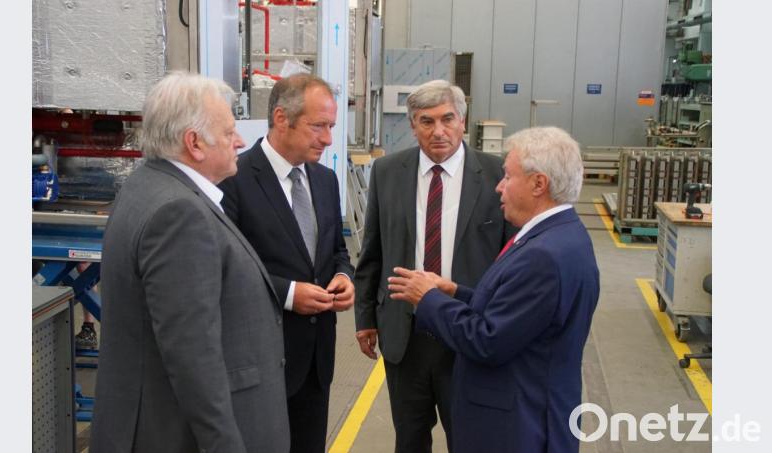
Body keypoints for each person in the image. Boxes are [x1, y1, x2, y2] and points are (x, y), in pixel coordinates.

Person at [90, 72, 289, 453]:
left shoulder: (147, 185)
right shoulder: (180, 214)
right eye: (230, 131)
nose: (240, 141)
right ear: (194, 143)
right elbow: (192, 355)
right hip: (175, 434)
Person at [387, 126, 600, 453]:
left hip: (518, 426)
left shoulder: (543, 256)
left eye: (507, 177)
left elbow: (487, 340)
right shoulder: (558, 235)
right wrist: (455, 291)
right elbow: (518, 313)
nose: (499, 187)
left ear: (538, 183)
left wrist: (427, 298)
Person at [353, 79, 516, 453]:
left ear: (463, 120)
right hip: (405, 336)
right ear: (413, 125)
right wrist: (365, 318)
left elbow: (511, 261)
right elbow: (373, 252)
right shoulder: (387, 172)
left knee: (471, 439)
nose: (438, 131)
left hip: (468, 334)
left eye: (447, 119)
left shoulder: (497, 176)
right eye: (426, 121)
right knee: (409, 439)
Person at [218, 73, 354, 453]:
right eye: (318, 126)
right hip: (261, 361)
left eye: (330, 127)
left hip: (316, 362)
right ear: (281, 118)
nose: (327, 139)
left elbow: (336, 250)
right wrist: (289, 294)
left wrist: (344, 276)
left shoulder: (325, 180)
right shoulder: (234, 179)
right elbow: (224, 268)